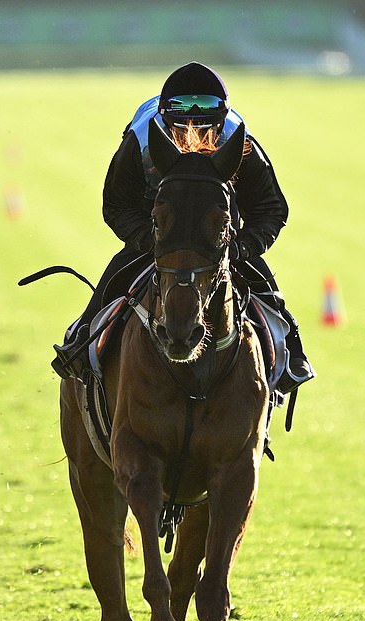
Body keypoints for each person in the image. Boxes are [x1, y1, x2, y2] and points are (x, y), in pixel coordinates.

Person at [52, 62, 315, 393]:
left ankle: (291, 354)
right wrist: (150, 240)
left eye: (203, 110)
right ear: (165, 114)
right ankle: (83, 340)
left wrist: (240, 248)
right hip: (159, 234)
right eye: (183, 110)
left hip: (216, 240)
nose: (193, 120)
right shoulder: (141, 138)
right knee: (114, 281)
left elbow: (270, 207)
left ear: (221, 116)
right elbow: (117, 204)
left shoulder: (240, 141)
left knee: (268, 293)